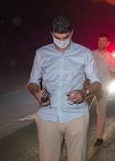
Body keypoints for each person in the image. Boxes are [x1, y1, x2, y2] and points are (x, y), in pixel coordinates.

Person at [27, 14, 102, 161]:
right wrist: (36, 92)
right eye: (57, 37)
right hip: (48, 116)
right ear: (51, 33)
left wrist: (84, 92)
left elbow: (97, 83)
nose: (62, 41)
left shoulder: (84, 53)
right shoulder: (41, 53)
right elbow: (32, 81)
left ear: (72, 32)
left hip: (76, 116)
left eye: (65, 37)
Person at [92, 33, 115, 147]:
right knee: (81, 110)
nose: (100, 43)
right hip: (90, 86)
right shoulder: (91, 54)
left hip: (103, 88)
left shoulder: (111, 56)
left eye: (103, 41)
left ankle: (99, 137)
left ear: (108, 43)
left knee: (101, 113)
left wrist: (108, 84)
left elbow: (114, 72)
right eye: (99, 41)